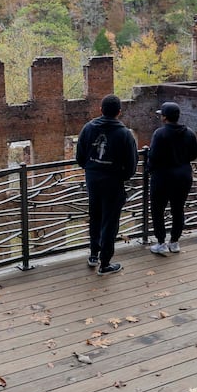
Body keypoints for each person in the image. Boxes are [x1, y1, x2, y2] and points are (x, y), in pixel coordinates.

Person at [75, 94, 138, 274]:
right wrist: (121, 176)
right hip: (113, 182)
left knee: (95, 216)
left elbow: (80, 157)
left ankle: (94, 254)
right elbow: (131, 165)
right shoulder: (125, 134)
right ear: (119, 112)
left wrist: (92, 169)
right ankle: (105, 264)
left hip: (93, 181)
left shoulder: (88, 129)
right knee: (110, 222)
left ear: (100, 110)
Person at [147, 101, 197, 256]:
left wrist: (151, 170)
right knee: (178, 209)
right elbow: (195, 154)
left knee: (158, 210)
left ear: (164, 117)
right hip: (183, 176)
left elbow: (153, 157)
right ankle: (175, 242)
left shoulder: (160, 134)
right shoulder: (189, 132)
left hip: (162, 178)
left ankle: (161, 242)